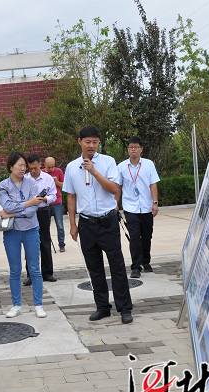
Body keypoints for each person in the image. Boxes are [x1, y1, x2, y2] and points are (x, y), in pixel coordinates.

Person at [62, 125, 133, 325]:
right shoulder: (71, 167)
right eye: (87, 142)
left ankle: (125, 308)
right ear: (80, 142)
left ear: (99, 142)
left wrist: (93, 171)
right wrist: (73, 224)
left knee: (117, 266)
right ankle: (102, 307)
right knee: (94, 268)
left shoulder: (108, 162)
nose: (91, 145)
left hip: (107, 221)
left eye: (95, 142)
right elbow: (71, 196)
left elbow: (114, 189)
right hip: (86, 224)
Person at [0, 151, 47, 318]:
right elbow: (7, 206)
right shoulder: (2, 186)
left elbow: (33, 209)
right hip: (11, 232)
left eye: (24, 165)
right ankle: (16, 305)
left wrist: (13, 213)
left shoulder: (32, 183)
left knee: (34, 269)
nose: (23, 168)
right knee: (15, 270)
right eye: (20, 165)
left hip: (31, 229)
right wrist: (28, 203)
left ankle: (38, 305)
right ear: (10, 167)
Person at [116, 137, 160, 278]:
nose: (133, 149)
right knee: (134, 237)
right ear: (128, 149)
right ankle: (135, 266)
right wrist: (115, 204)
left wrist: (155, 203)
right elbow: (118, 187)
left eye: (136, 147)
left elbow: (153, 184)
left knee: (146, 236)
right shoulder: (121, 167)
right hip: (130, 207)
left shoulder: (148, 164)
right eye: (130, 147)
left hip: (146, 207)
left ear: (141, 149)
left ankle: (146, 261)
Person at [23, 154, 57, 285]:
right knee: (29, 243)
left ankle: (47, 273)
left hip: (43, 211)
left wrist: (44, 199)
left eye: (35, 168)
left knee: (45, 241)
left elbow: (54, 195)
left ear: (40, 165)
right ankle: (30, 275)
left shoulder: (47, 178)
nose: (33, 171)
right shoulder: (24, 179)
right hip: (29, 213)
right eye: (30, 168)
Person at [43, 157, 66, 252]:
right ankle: (46, 244)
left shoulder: (59, 171)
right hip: (45, 201)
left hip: (57, 201)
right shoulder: (42, 173)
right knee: (45, 225)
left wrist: (57, 182)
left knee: (59, 224)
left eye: (53, 167)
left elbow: (64, 185)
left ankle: (62, 244)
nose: (51, 169)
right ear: (44, 165)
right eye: (49, 167)